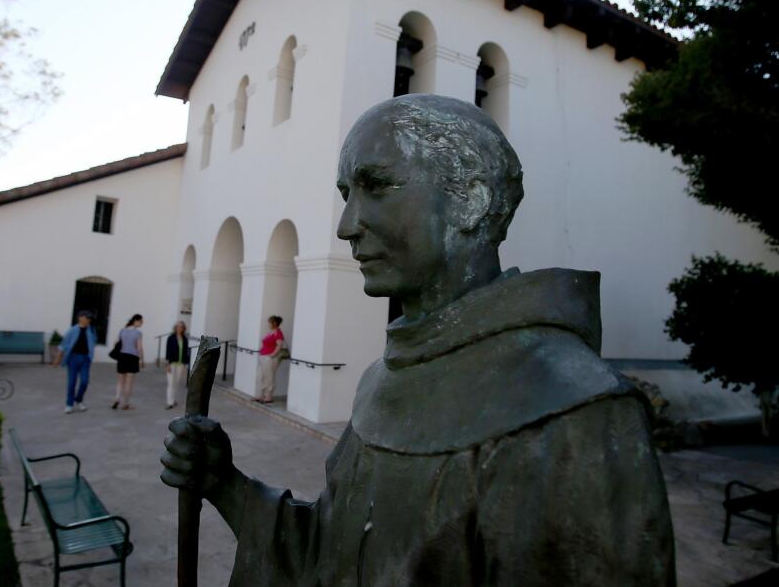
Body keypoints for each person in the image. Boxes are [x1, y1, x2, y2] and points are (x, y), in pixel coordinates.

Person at [161, 94, 676, 586]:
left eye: (377, 186)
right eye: (347, 195)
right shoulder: (382, 379)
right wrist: (225, 484)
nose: (346, 226)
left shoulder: (570, 410)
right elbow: (334, 554)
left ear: (471, 201)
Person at [57, 311, 96, 414]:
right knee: (72, 382)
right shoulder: (72, 330)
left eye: (89, 318)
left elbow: (93, 342)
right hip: (73, 358)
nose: (89, 320)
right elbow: (63, 344)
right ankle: (69, 404)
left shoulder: (91, 329)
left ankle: (78, 399)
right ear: (80, 318)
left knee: (84, 381)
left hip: (85, 359)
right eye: (87, 318)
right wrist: (58, 358)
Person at [111, 314, 145, 410]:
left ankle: (117, 398)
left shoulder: (123, 330)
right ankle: (126, 403)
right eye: (141, 322)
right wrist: (142, 360)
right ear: (136, 321)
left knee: (120, 380)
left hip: (122, 356)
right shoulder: (138, 333)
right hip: (132, 357)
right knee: (129, 382)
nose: (142, 324)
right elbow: (139, 347)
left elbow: (115, 343)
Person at [254, 315, 285, 404]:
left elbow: (279, 345)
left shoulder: (278, 333)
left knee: (269, 377)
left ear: (274, 323)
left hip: (269, 358)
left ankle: (268, 397)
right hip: (263, 356)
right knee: (260, 376)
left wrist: (271, 355)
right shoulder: (271, 332)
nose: (268, 324)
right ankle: (262, 395)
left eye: (270, 322)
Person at [165, 320, 191, 409]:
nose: (179, 328)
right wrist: (167, 364)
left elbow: (186, 352)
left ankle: (173, 399)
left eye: (181, 327)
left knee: (176, 383)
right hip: (172, 363)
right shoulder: (171, 338)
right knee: (170, 383)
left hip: (181, 364)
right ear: (175, 328)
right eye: (178, 326)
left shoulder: (185, 339)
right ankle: (170, 403)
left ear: (183, 328)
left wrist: (186, 365)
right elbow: (168, 351)